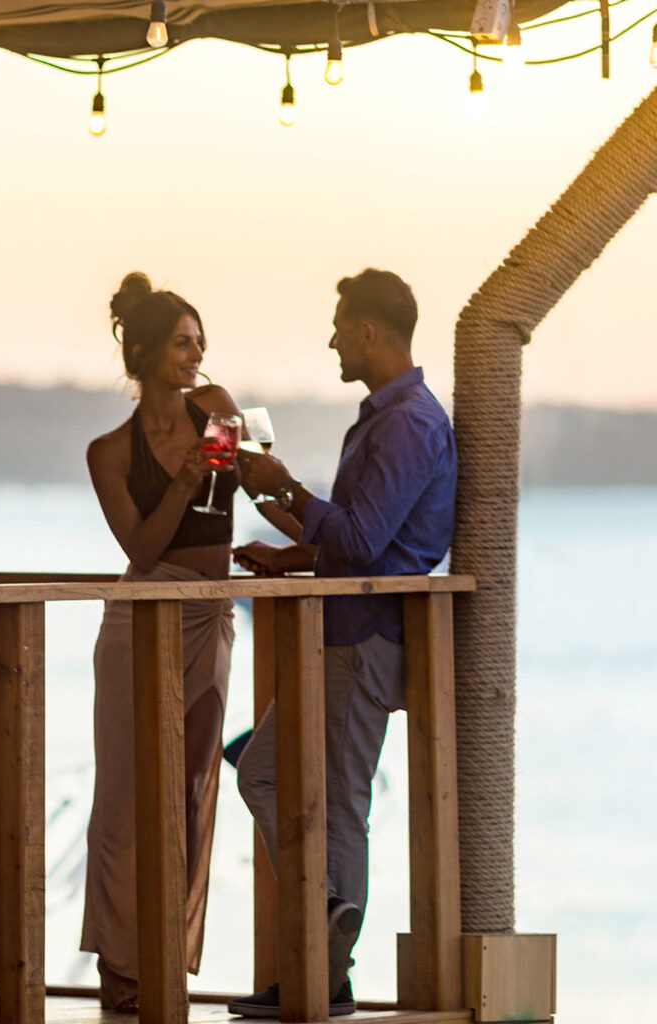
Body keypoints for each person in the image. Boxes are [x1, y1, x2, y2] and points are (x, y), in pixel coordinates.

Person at [228, 268, 457, 1018]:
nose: (330, 338)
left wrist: (288, 489)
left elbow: (361, 539)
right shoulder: (387, 417)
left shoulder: (409, 423)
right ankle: (326, 937)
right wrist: (290, 551)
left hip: (366, 638)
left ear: (368, 331)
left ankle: (323, 964)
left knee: (339, 805)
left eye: (338, 326)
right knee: (263, 774)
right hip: (342, 626)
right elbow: (362, 537)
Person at [80, 272, 242, 1013]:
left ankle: (167, 955)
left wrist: (262, 471)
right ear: (143, 354)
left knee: (192, 791)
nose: (197, 353)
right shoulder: (108, 452)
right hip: (140, 618)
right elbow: (142, 550)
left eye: (200, 341)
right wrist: (181, 479)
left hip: (210, 614)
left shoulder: (221, 410)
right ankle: (118, 961)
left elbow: (264, 482)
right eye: (182, 343)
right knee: (123, 795)